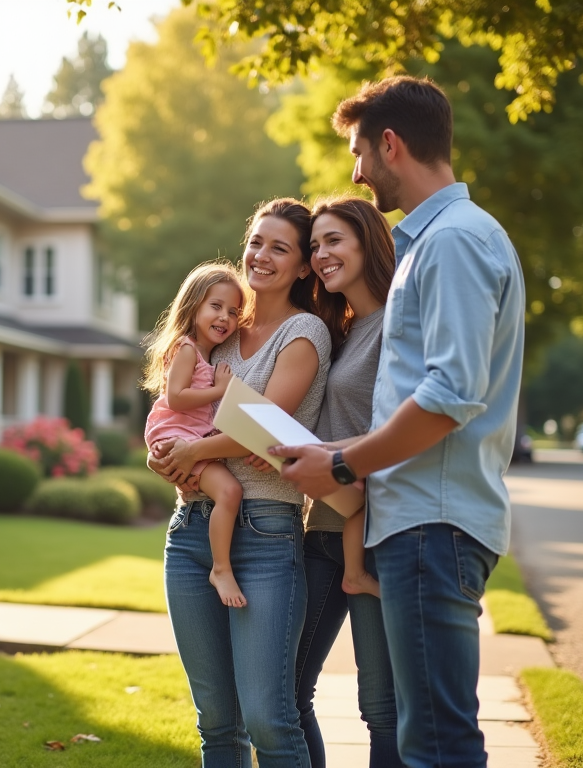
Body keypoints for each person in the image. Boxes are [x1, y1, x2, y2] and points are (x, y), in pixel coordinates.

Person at [270, 76, 526, 768]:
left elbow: (449, 397)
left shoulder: (454, 243)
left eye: (358, 151)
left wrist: (344, 464)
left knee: (435, 742)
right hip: (423, 523)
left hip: (431, 526)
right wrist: (327, 451)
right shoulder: (438, 243)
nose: (355, 171)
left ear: (390, 144)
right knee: (425, 735)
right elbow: (425, 401)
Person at [152, 198, 333, 768]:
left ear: (304, 267)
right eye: (256, 241)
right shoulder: (225, 330)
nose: (260, 255)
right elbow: (177, 408)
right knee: (217, 724)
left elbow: (263, 429)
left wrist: (195, 451)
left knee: (268, 720)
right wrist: (165, 457)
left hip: (264, 534)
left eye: (280, 247)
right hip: (190, 532)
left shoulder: (304, 333)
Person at [296, 197, 401, 768]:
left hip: (378, 532)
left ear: (367, 241)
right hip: (322, 529)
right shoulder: (341, 330)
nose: (321, 254)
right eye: (315, 245)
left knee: (380, 707)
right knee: (287, 691)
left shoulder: (396, 324)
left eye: (333, 240)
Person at [141, 262, 247, 607]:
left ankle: (219, 566)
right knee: (230, 491)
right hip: (177, 434)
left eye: (234, 311)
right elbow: (176, 397)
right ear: (193, 306)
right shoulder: (187, 349)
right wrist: (221, 390)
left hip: (188, 435)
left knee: (227, 491)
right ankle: (221, 568)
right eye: (215, 307)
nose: (225, 318)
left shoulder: (206, 353)